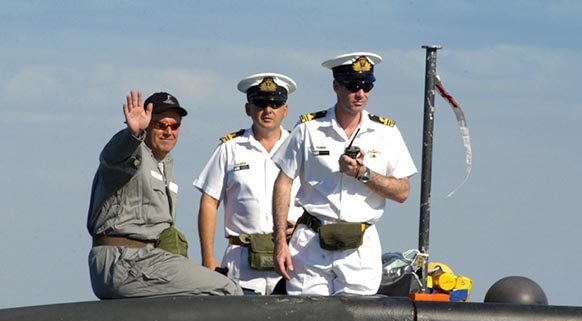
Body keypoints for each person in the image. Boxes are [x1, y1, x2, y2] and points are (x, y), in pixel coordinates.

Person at [272, 52, 418, 295]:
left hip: (359, 246)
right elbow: (283, 183)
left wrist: (363, 173)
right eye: (352, 86)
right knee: (306, 320)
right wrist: (279, 242)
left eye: (367, 86)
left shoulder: (386, 133)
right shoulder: (308, 128)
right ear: (336, 86)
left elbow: (402, 192)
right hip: (311, 242)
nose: (360, 94)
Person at [87, 90, 242, 299]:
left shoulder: (164, 163)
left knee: (195, 295)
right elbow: (113, 157)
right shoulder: (132, 154)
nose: (168, 131)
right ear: (147, 125)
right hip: (123, 261)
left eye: (174, 126)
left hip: (146, 261)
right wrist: (132, 135)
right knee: (227, 289)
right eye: (161, 125)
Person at [193, 73, 303, 295]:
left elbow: (318, 196)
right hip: (241, 263)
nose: (268, 110)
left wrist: (302, 225)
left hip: (293, 261)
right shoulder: (230, 149)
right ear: (248, 109)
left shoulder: (300, 146)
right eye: (260, 103)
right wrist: (208, 258)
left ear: (285, 110)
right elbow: (209, 201)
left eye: (275, 103)